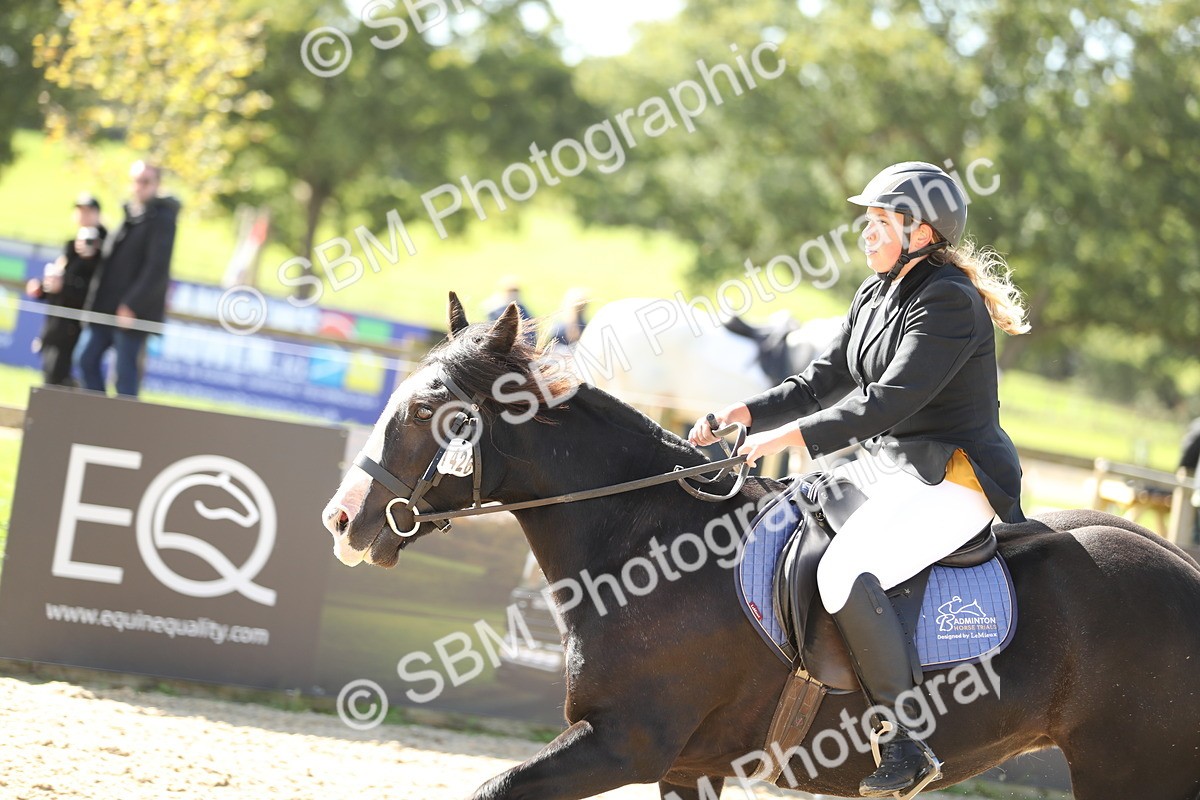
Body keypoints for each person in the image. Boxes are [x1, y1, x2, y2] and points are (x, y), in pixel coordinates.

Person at [688, 162, 1029, 797]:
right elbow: (822, 382)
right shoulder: (877, 293)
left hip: (953, 477)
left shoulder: (948, 302)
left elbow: (884, 404)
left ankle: (906, 744)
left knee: (845, 571)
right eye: (866, 221)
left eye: (879, 222)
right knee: (782, 524)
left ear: (920, 232)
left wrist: (779, 439)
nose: (865, 234)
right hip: (889, 467)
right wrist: (743, 413)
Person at [79, 161, 180, 397]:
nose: (139, 187)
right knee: (85, 359)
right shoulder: (130, 214)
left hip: (131, 312)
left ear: (157, 185)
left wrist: (132, 305)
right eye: (136, 180)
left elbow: (157, 269)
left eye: (146, 181)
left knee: (125, 376)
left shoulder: (162, 219)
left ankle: (123, 431)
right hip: (105, 307)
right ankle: (101, 422)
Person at [24, 193, 108, 386]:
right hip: (56, 323)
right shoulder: (71, 245)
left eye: (88, 211)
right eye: (80, 211)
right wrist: (42, 288)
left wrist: (65, 285)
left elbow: (93, 290)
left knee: (59, 377)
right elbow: (58, 279)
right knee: (51, 375)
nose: (84, 216)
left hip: (74, 326)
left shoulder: (103, 249)